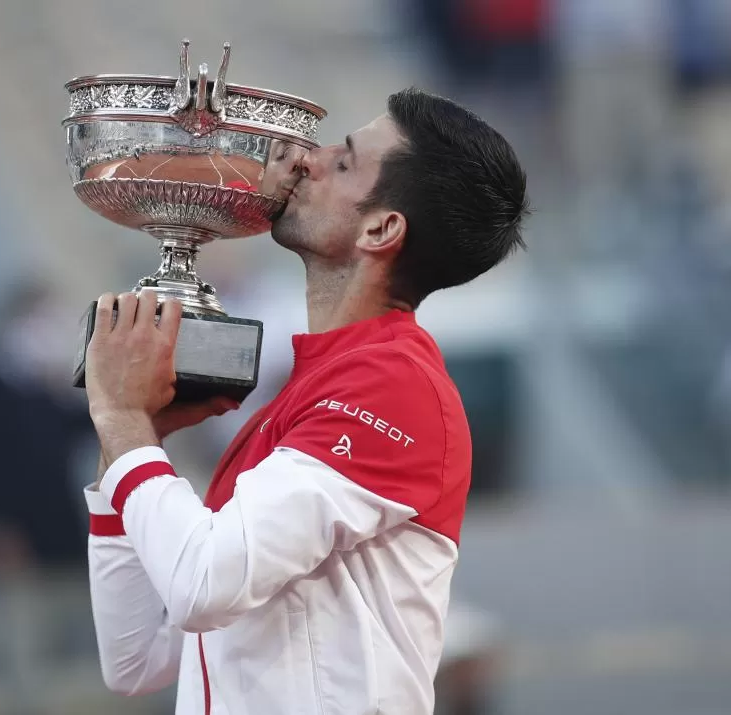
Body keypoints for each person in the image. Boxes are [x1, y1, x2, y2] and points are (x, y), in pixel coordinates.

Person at [81, 88, 529, 715]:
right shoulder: (311, 393)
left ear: (381, 228)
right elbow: (137, 660)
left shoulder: (393, 387)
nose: (308, 161)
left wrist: (123, 417)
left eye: (344, 161)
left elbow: (203, 584)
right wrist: (129, 443)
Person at [0, 282, 99, 714]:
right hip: (16, 535)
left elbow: (94, 426)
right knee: (26, 635)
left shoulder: (46, 394)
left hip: (66, 532)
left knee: (85, 635)